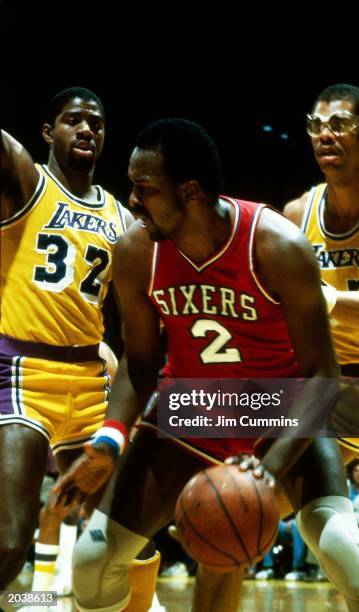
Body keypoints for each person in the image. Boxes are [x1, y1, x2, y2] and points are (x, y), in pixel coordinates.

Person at [55, 118, 359, 612]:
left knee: (343, 551)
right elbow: (139, 363)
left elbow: (323, 376)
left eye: (145, 189)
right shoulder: (137, 250)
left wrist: (267, 470)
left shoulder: (277, 245)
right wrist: (110, 439)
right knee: (92, 562)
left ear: (190, 191)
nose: (132, 201)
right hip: (193, 410)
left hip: (277, 407)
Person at [0, 86, 134, 590]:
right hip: (23, 375)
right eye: (73, 120)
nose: (86, 130)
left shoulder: (121, 219)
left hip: (89, 385)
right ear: (47, 132)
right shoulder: (27, 184)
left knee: (123, 537)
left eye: (95, 124)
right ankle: (44, 593)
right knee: (11, 540)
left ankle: (60, 599)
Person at [283, 83, 359, 463]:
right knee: (256, 500)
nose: (324, 134)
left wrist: (327, 298)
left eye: (338, 124)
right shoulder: (296, 214)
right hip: (334, 385)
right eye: (316, 125)